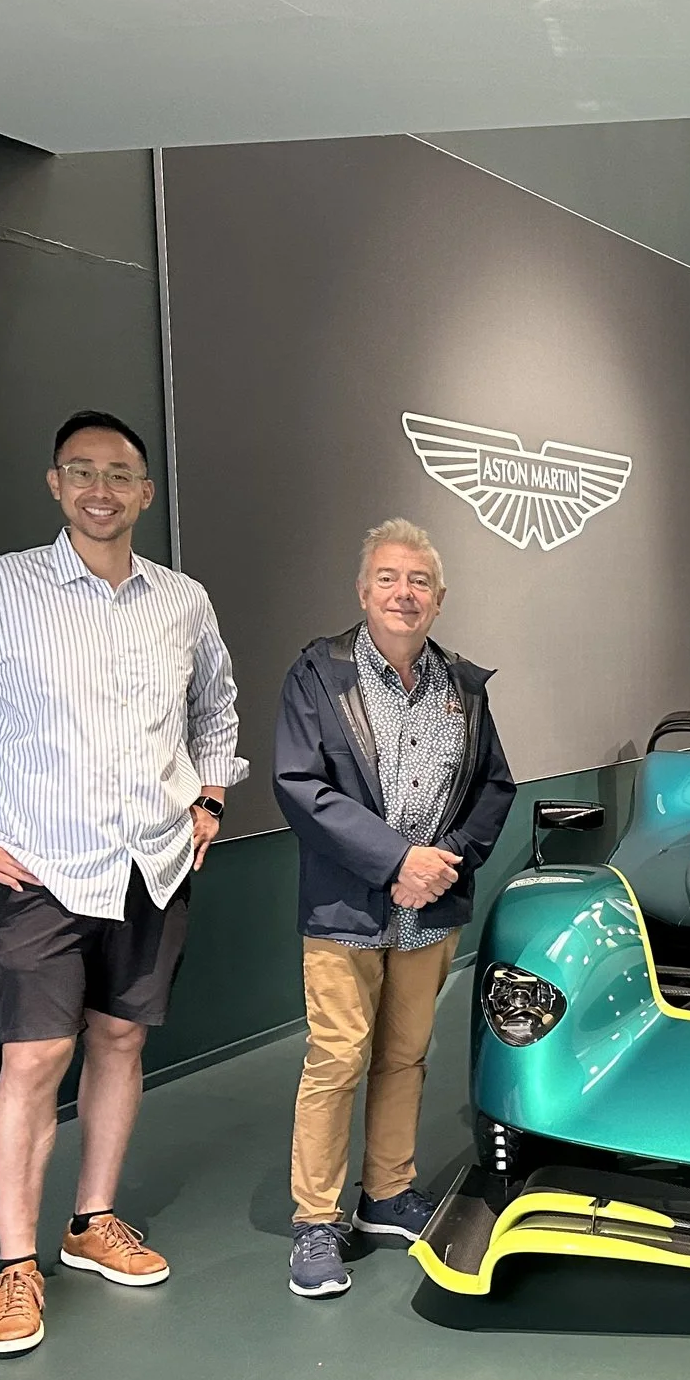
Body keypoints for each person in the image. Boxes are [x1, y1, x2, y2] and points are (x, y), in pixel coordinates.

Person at [0, 410, 246, 1357]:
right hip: (42, 867)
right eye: (82, 471)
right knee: (35, 1063)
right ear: (55, 484)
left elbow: (216, 701)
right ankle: (17, 1265)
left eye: (120, 473)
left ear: (145, 492)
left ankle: (92, 1223)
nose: (101, 488)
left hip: (155, 860)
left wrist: (209, 798)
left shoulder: (182, 599)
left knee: (122, 1037)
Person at [274, 519, 516, 1298]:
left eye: (418, 582)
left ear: (438, 600)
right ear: (362, 590)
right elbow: (302, 786)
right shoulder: (320, 675)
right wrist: (396, 860)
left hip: (429, 910)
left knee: (406, 1054)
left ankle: (385, 1193)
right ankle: (317, 1220)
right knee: (338, 1055)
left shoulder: (462, 688)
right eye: (388, 578)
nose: (402, 593)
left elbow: (493, 788)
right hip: (348, 905)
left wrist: (443, 864)